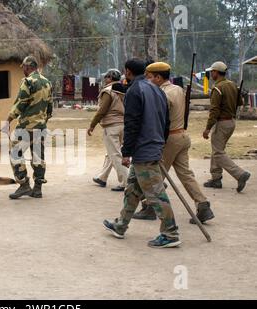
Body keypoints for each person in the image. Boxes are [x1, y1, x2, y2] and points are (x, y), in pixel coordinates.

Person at [103, 58, 181, 249]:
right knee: (132, 190)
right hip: (152, 146)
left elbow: (132, 124)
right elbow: (166, 122)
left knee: (154, 194)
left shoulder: (134, 91)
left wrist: (126, 151)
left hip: (144, 150)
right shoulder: (157, 89)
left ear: (128, 72)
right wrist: (160, 143)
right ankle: (121, 225)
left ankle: (170, 234)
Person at [133, 62, 214, 224]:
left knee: (155, 175)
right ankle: (203, 205)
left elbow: (158, 119)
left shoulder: (161, 93)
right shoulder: (177, 89)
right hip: (182, 136)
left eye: (150, 77)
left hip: (169, 138)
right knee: (186, 174)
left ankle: (149, 207)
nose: (148, 81)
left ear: (158, 77)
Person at [2, 56, 53, 200]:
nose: (23, 70)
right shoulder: (47, 82)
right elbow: (50, 107)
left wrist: (8, 120)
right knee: (38, 157)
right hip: (41, 127)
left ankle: (24, 184)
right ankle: (38, 189)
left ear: (28, 66)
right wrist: (42, 121)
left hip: (26, 127)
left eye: (23, 67)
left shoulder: (28, 82)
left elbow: (20, 104)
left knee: (14, 153)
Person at [203, 61, 251, 192]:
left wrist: (207, 128)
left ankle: (239, 174)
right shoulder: (232, 85)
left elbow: (214, 111)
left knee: (218, 152)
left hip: (222, 122)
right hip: (231, 122)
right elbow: (240, 102)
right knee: (217, 150)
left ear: (216, 72)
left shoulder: (217, 88)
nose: (211, 74)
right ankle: (216, 178)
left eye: (212, 71)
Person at [88, 69, 128, 192]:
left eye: (106, 77)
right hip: (123, 125)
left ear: (110, 78)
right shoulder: (125, 90)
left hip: (112, 126)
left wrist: (92, 125)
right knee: (111, 153)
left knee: (115, 154)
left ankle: (125, 181)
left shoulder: (108, 91)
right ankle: (102, 177)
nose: (105, 79)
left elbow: (102, 110)